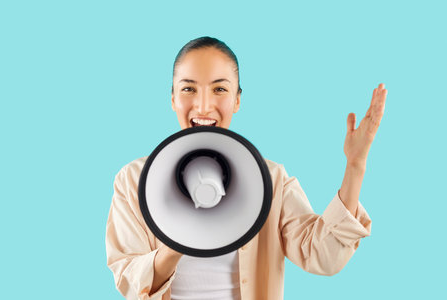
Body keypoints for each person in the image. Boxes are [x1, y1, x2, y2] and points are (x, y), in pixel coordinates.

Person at [106, 36, 388, 300]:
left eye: (219, 89)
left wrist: (355, 165)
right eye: (188, 88)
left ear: (237, 100)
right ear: (172, 98)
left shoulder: (271, 181)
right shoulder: (134, 181)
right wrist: (176, 243)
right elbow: (129, 280)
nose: (204, 105)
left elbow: (323, 256)